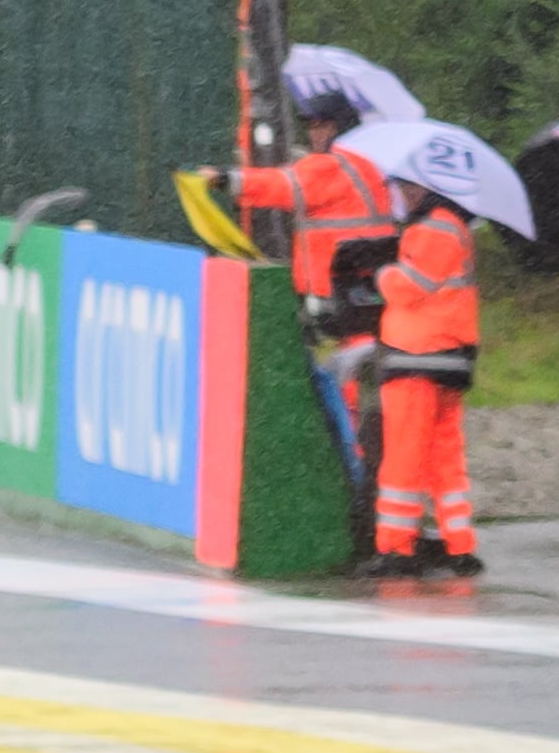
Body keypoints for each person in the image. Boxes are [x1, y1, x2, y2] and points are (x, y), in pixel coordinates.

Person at [202, 93, 402, 467]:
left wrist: (225, 179)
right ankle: (371, 464)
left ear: (335, 128)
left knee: (345, 393)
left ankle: (354, 467)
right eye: (310, 125)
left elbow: (281, 186)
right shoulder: (368, 169)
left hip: (335, 302)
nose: (313, 133)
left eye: (319, 125)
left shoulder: (329, 167)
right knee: (367, 387)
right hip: (366, 298)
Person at [360, 173, 482, 579]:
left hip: (416, 357)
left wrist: (378, 273)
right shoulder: (454, 225)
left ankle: (397, 548)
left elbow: (409, 287)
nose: (402, 195)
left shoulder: (433, 227)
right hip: (449, 358)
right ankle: (459, 544)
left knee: (404, 458)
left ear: (427, 187)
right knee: (445, 457)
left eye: (408, 187)